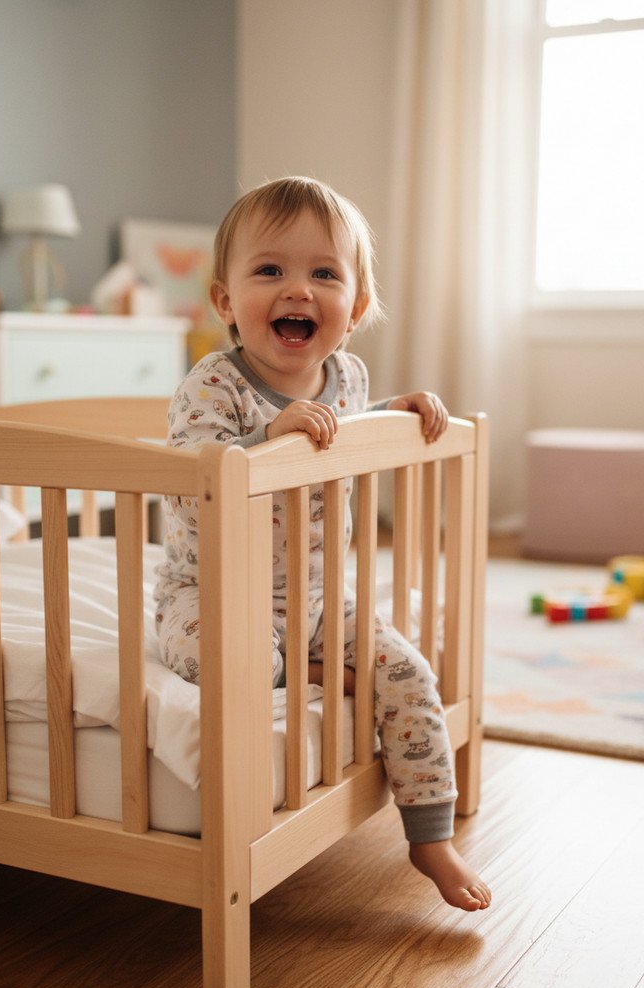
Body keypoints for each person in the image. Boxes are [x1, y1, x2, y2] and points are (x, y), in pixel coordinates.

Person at [154, 176, 491, 913]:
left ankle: (429, 835)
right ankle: (295, 668)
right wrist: (263, 439)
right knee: (223, 659)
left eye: (324, 274)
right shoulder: (212, 387)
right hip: (211, 590)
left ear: (357, 309)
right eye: (269, 271)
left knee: (406, 671)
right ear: (224, 301)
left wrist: (387, 413)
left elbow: (338, 429)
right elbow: (187, 484)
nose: (297, 290)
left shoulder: (348, 376)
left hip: (315, 593)